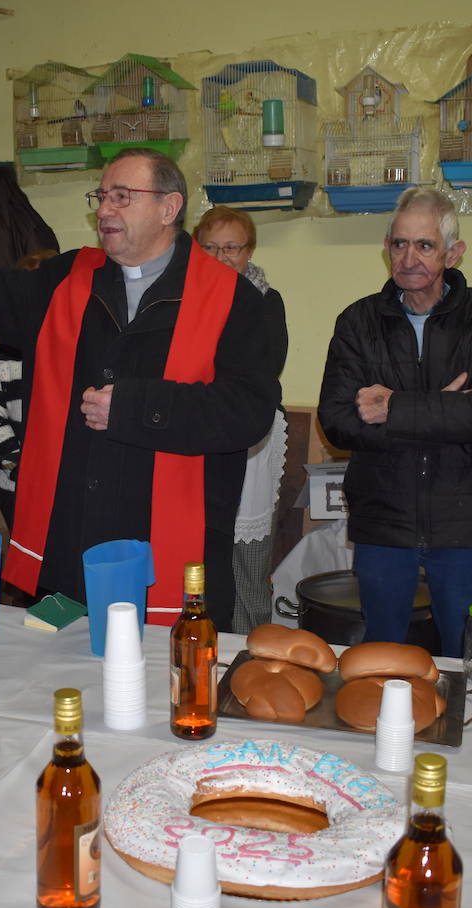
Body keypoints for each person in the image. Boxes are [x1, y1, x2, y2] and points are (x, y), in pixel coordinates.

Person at [0, 148, 281, 629]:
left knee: (169, 692)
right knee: (63, 683)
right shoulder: (66, 280)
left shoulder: (235, 299)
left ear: (169, 208)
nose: (104, 209)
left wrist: (133, 408)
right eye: (102, 196)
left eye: (122, 197)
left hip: (174, 558)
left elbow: (248, 411)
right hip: (70, 554)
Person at [319, 187, 472, 656]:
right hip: (382, 519)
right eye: (398, 244)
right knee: (383, 654)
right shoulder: (358, 322)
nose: (409, 257)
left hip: (466, 520)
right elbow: (336, 421)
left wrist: (395, 407)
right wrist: (448, 410)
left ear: (453, 253)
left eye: (425, 245)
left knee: (465, 656)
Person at [192, 206, 289, 634]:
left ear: (249, 251)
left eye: (231, 247)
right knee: (202, 544)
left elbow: (269, 366)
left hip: (249, 434)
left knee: (246, 550)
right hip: (194, 431)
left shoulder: (264, 300)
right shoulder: (179, 297)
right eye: (209, 247)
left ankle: (249, 637)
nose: (220, 256)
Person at [0, 249, 57, 530]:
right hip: (14, 482)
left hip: (61, 486)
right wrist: (16, 462)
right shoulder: (6, 352)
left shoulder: (72, 346)